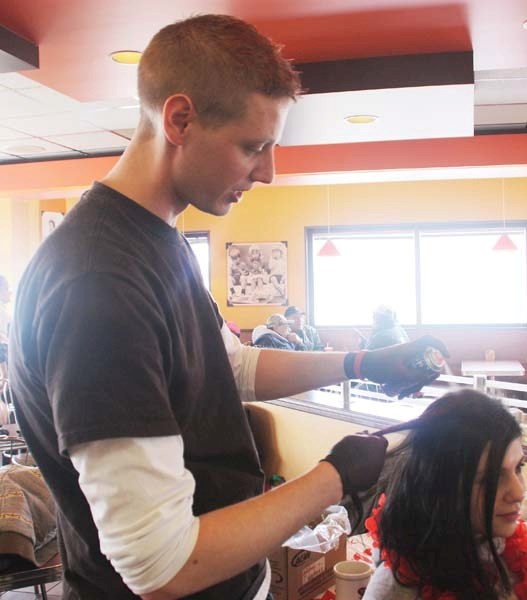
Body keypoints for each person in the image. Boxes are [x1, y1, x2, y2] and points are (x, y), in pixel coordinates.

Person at [8, 14, 448, 600]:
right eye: (253, 146)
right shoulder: (99, 284)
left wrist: (363, 363)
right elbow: (158, 566)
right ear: (180, 119)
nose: (267, 172)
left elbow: (233, 366)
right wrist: (334, 478)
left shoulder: (159, 241)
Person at [362, 389, 527, 600]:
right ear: (441, 487)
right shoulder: (398, 590)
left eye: (519, 467)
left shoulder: (517, 551)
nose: (518, 492)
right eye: (490, 479)